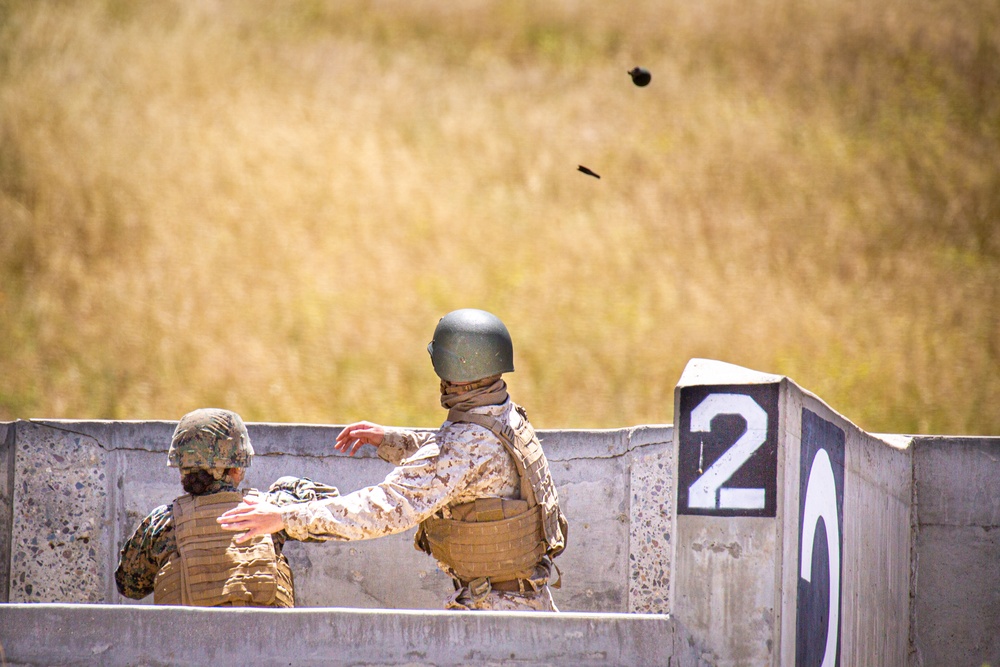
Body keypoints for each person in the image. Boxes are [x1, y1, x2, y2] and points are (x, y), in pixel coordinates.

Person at [218, 308, 568, 611]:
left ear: (448, 370)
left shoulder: (461, 448)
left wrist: (284, 517)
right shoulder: (506, 415)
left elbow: (383, 508)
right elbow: (464, 458)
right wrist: (391, 440)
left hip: (491, 612)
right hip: (524, 597)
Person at [115, 407, 339, 606]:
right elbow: (330, 514)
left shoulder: (162, 523)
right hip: (267, 647)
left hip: (186, 649)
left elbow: (129, 586)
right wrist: (285, 487)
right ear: (236, 469)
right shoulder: (269, 510)